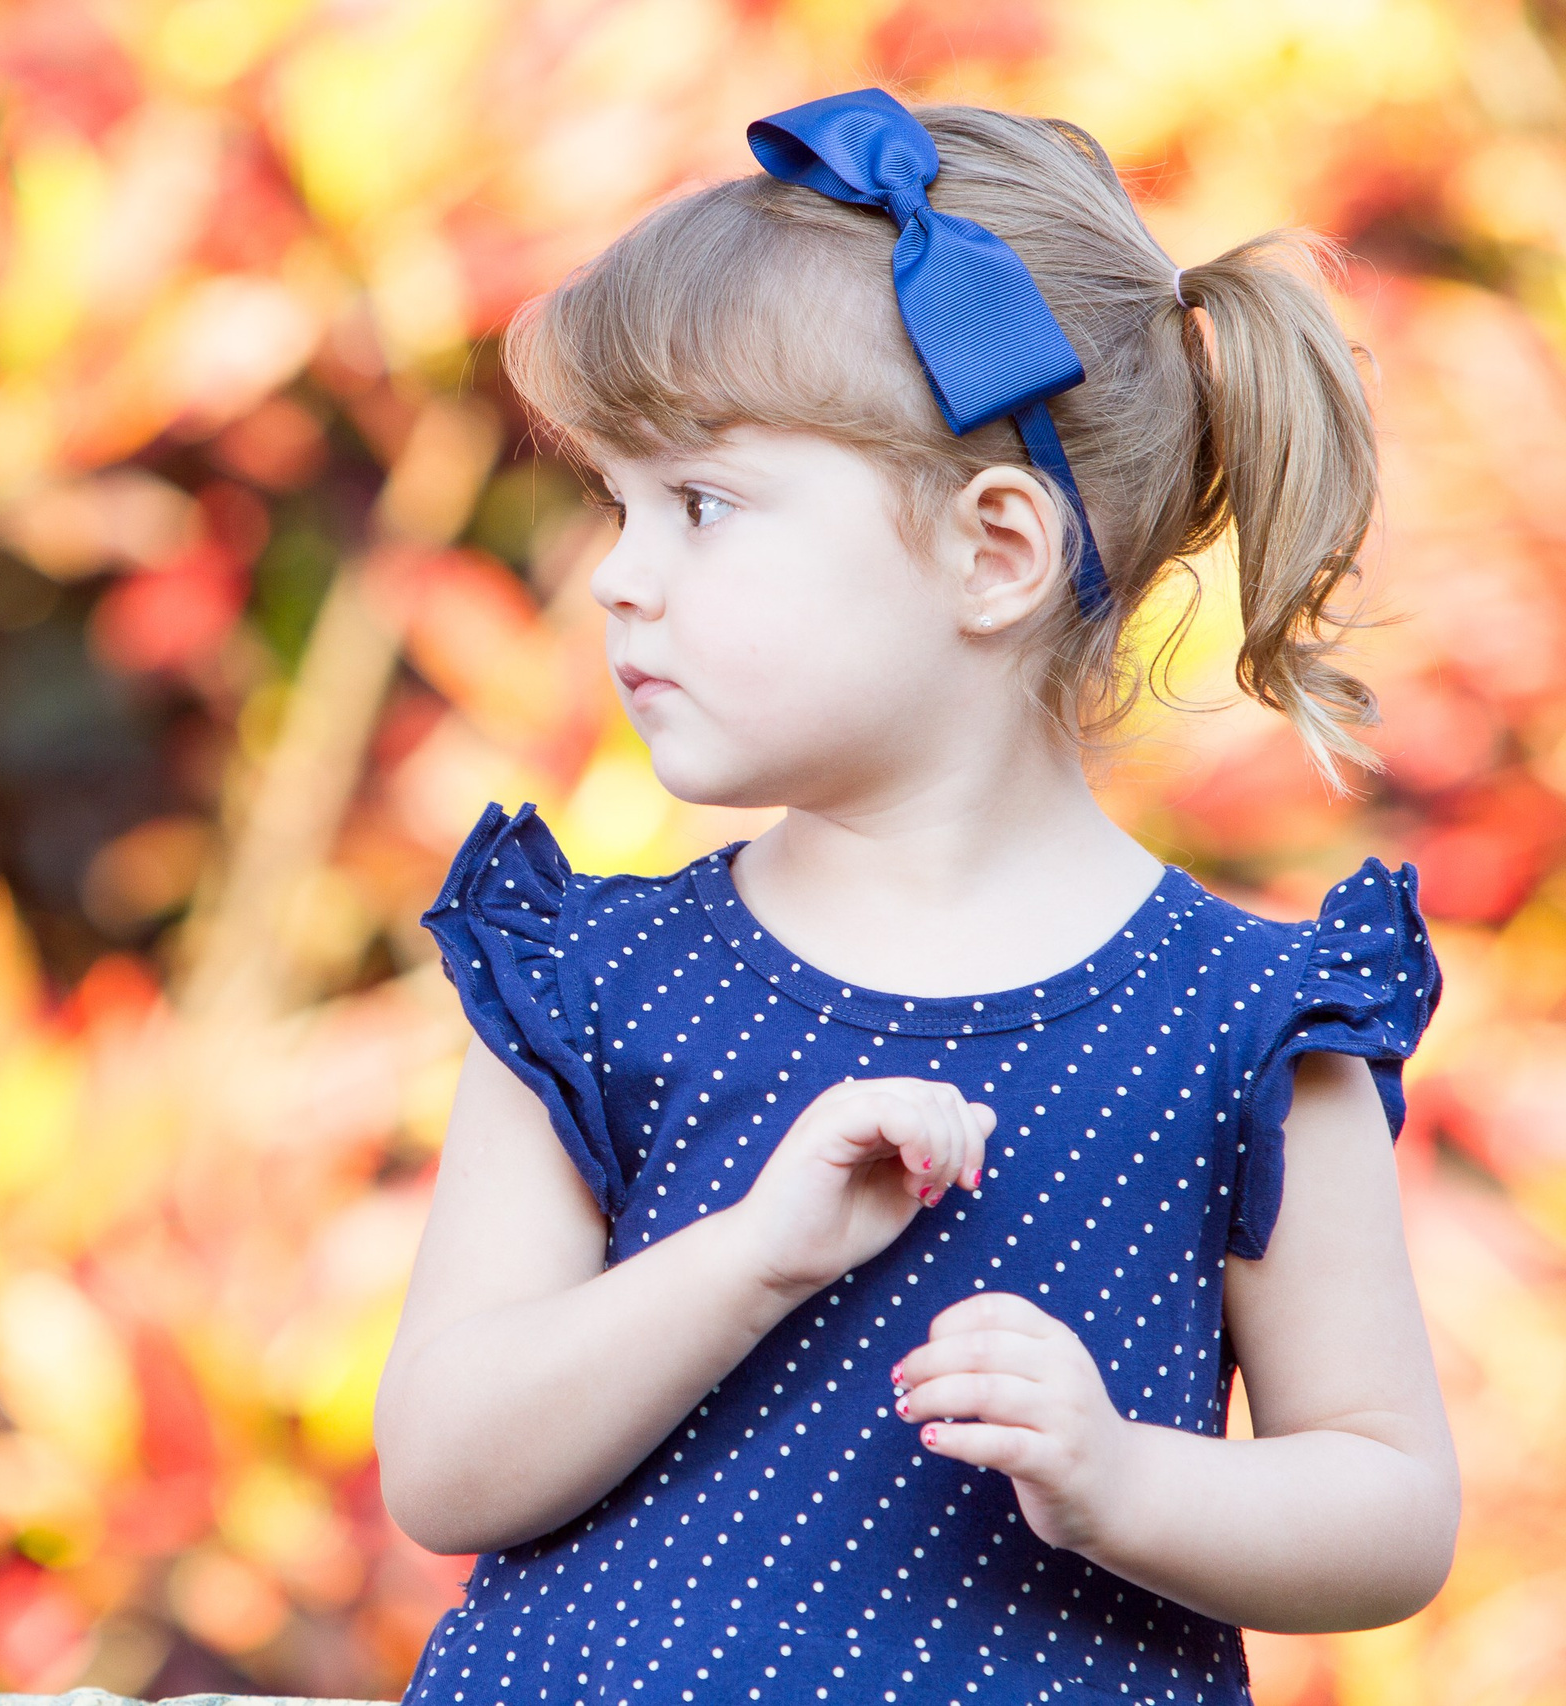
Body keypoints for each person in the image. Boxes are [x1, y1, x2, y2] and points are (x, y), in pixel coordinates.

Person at [374, 90, 1459, 1706]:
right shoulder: (590, 979)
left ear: (993, 550)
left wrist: (1123, 1477)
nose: (615, 571)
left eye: (701, 504)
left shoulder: (1243, 1022)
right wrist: (749, 1255)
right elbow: (445, 1467)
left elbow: (1389, 1506)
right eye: (619, 503)